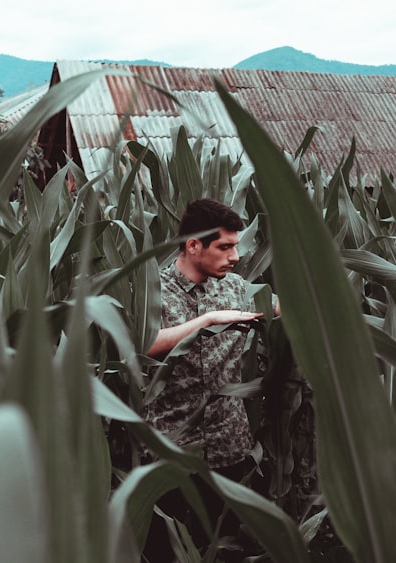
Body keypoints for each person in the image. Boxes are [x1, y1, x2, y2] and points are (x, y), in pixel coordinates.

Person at [141, 198, 266, 561]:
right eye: (225, 247)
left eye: (236, 246)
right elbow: (144, 344)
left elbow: (274, 306)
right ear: (194, 245)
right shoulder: (154, 290)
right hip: (173, 449)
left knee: (223, 546)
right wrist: (207, 320)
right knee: (169, 550)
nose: (236, 255)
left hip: (230, 446)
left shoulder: (236, 287)